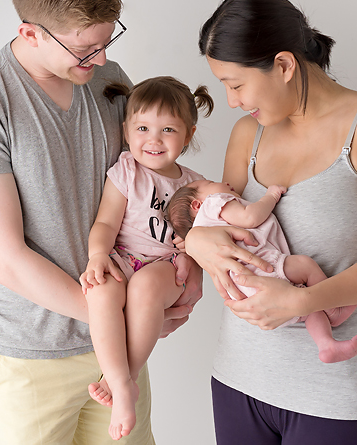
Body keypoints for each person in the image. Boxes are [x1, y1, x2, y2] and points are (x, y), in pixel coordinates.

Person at [0, 0, 202, 445]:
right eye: (85, 49)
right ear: (29, 33)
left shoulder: (110, 80)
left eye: (108, 42)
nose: (100, 60)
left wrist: (190, 265)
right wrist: (122, 316)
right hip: (30, 356)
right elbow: (6, 259)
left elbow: (160, 179)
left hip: (119, 351)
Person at [184, 0, 357, 445]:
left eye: (236, 84)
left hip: (340, 398)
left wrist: (301, 302)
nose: (233, 101)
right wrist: (196, 242)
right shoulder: (247, 135)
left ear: (283, 64)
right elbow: (219, 222)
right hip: (240, 380)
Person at [78, 76, 212, 440]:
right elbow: (106, 221)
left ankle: (128, 376)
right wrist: (97, 256)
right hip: (123, 257)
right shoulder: (126, 171)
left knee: (146, 290)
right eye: (143, 128)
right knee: (100, 292)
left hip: (165, 267)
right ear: (126, 131)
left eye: (168, 129)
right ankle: (120, 383)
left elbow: (206, 236)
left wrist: (194, 258)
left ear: (188, 135)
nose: (153, 140)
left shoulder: (196, 185)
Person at [167, 179, 357, 362]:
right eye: (211, 182)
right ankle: (334, 309)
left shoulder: (203, 230)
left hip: (247, 292)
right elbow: (250, 217)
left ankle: (326, 344)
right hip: (261, 268)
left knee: (306, 306)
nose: (224, 182)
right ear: (197, 205)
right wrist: (272, 195)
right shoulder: (213, 204)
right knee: (305, 266)